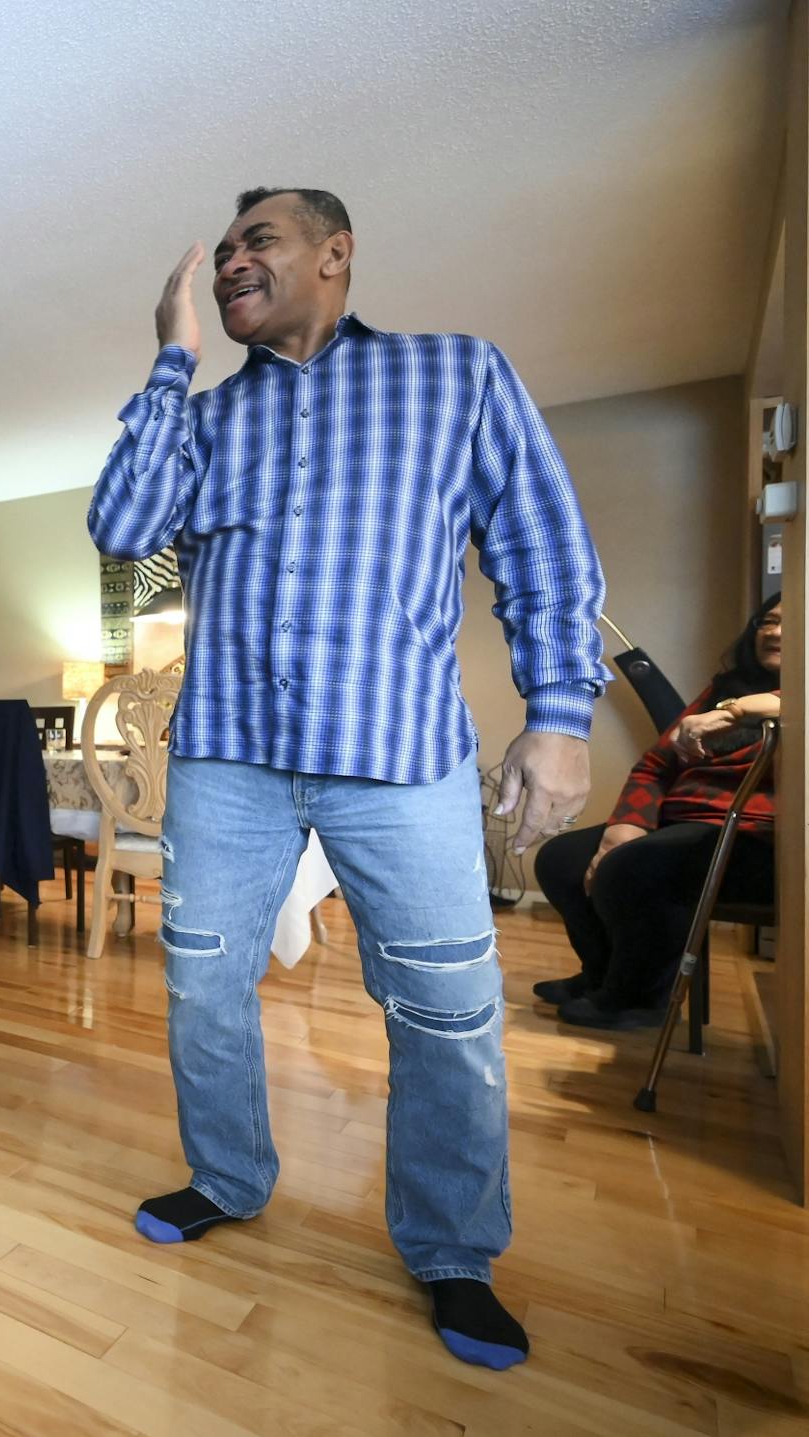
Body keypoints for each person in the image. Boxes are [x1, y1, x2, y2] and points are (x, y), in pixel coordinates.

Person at [87, 188, 609, 1370]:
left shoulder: (457, 375)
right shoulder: (208, 419)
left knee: (446, 1010)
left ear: (337, 253)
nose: (229, 264)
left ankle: (453, 1249)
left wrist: (561, 716)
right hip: (229, 759)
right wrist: (171, 362)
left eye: (254, 241)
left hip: (402, 756)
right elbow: (122, 532)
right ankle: (226, 1175)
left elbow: (541, 542)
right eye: (218, 254)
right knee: (203, 989)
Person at [534, 597, 782, 1028]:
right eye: (769, 621)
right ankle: (602, 976)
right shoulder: (726, 686)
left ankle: (638, 997)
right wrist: (626, 825)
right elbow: (656, 765)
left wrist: (734, 712)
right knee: (560, 860)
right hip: (677, 824)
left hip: (752, 841)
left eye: (794, 624)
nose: (775, 632)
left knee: (636, 868)